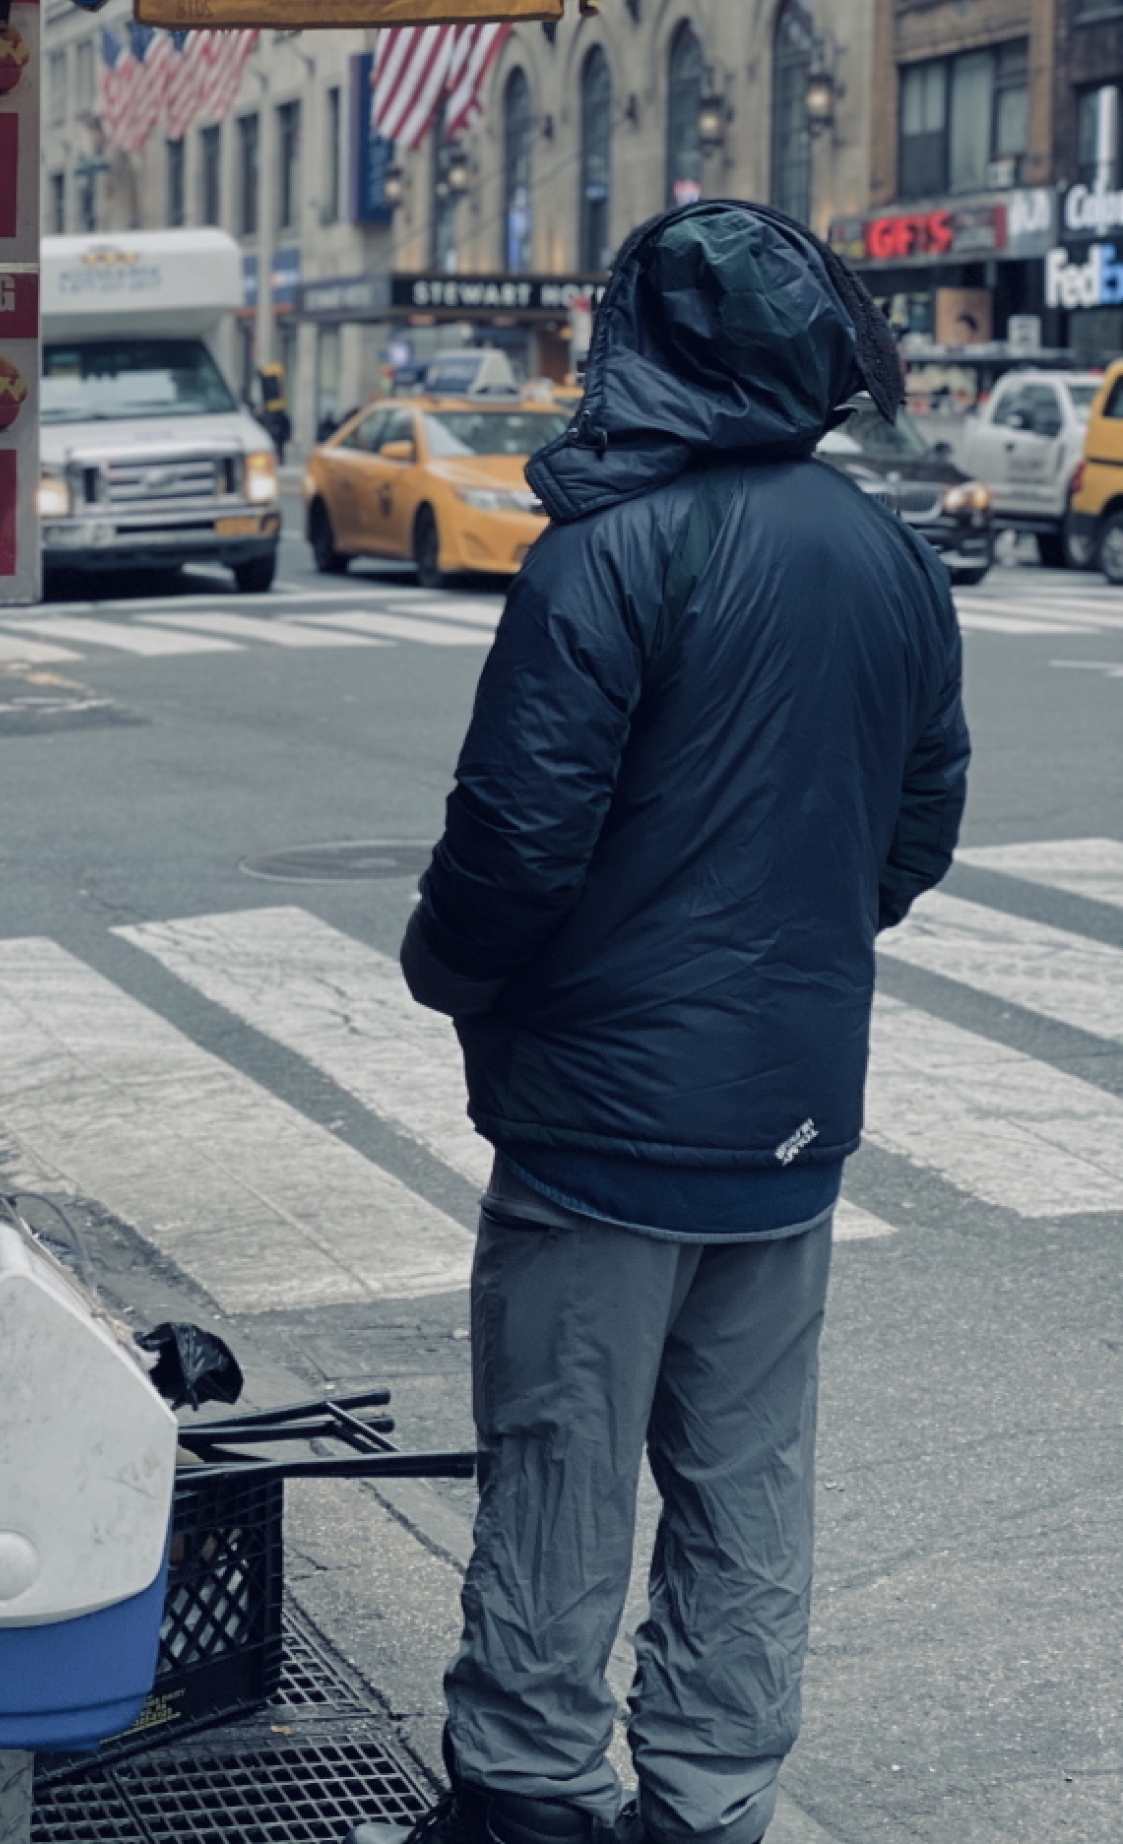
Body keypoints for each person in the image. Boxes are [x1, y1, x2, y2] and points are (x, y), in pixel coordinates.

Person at [358, 201, 969, 1844]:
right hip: (784, 1114)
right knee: (746, 1484)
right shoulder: (891, 552)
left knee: (563, 1466)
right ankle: (706, 1804)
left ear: (651, 349)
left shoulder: (607, 553)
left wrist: (453, 976)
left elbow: (514, 844)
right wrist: (785, 951)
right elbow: (916, 830)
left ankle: (530, 1795)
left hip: (600, 1126)